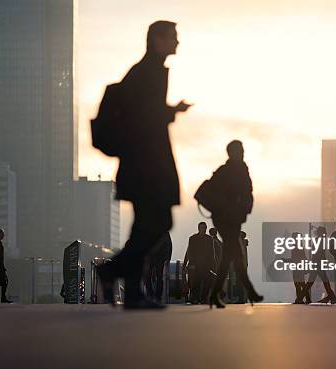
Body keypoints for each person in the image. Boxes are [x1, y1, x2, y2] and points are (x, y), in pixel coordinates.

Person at [96, 20, 191, 309]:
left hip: (143, 164)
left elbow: (145, 113)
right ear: (158, 40)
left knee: (145, 224)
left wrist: (170, 110)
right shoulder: (147, 72)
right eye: (173, 37)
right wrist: (169, 112)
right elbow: (144, 119)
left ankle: (132, 290)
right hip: (146, 165)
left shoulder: (148, 71)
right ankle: (113, 271)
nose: (178, 42)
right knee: (158, 222)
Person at [208, 140, 263, 308]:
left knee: (229, 255)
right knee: (236, 254)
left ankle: (215, 294)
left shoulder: (240, 169)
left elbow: (247, 192)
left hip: (233, 218)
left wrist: (244, 209)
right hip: (226, 219)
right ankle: (249, 291)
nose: (243, 153)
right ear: (232, 153)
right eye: (240, 150)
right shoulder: (227, 171)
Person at [183, 222, 216, 304]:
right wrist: (189, 264)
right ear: (198, 228)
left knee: (207, 282)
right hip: (195, 265)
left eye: (205, 228)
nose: (203, 229)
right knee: (196, 283)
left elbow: (212, 253)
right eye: (202, 228)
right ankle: (195, 298)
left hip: (206, 265)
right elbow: (190, 251)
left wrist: (213, 265)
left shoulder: (209, 239)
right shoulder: (193, 238)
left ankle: (203, 298)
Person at [305, 226, 336, 304]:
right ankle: (332, 297)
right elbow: (319, 253)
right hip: (318, 264)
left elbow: (315, 252)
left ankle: (302, 297)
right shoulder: (320, 241)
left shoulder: (318, 240)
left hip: (317, 263)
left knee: (312, 282)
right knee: (322, 281)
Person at [145, 232, 173, 303]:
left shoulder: (164, 231)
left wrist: (168, 258)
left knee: (158, 277)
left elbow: (169, 245)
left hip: (159, 257)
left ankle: (156, 296)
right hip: (151, 257)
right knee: (149, 276)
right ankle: (152, 294)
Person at [288, 232, 307, 304]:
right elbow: (303, 257)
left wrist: (287, 260)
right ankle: (300, 298)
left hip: (297, 267)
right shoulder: (299, 246)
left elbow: (295, 258)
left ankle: (300, 298)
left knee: (299, 284)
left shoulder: (296, 247)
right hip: (299, 267)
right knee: (300, 284)